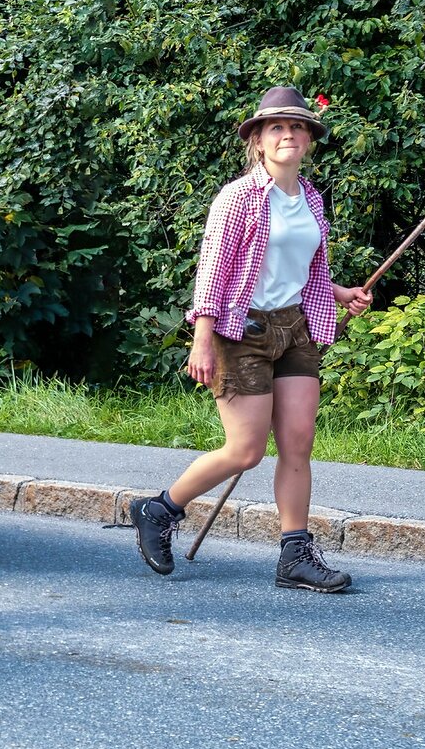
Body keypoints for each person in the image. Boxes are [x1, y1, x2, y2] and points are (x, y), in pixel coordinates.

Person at [130, 86, 373, 591]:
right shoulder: (238, 197)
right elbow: (214, 272)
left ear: (308, 141)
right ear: (258, 142)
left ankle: (295, 557)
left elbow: (296, 270)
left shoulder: (309, 198)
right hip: (241, 332)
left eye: (298, 127)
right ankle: (158, 509)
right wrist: (201, 340)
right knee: (245, 450)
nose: (289, 134)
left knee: (298, 445)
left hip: (297, 328)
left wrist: (338, 290)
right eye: (277, 128)